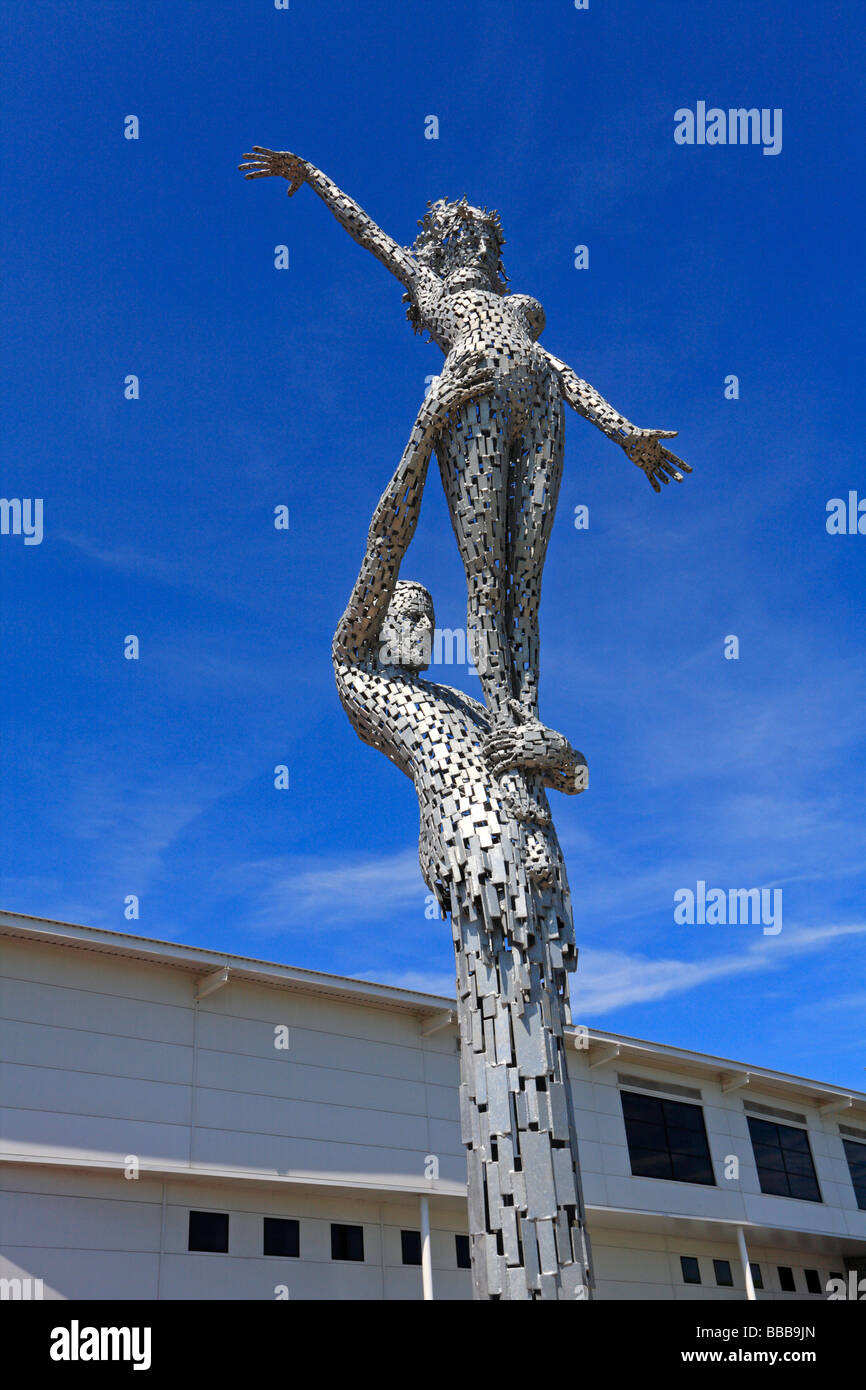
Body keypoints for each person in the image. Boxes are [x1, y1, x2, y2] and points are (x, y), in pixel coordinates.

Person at [240, 149, 691, 740]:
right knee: (486, 573)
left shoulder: (511, 309)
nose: (478, 250)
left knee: (526, 579)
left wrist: (624, 432)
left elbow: (558, 370)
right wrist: (315, 177)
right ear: (442, 246)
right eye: (463, 238)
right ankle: (502, 713)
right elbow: (369, 233)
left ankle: (528, 716)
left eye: (486, 241)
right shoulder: (429, 285)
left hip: (543, 411)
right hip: (469, 406)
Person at [331, 367, 592, 1299]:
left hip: (535, 871)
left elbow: (559, 763)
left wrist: (554, 753)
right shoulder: (369, 692)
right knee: (501, 1069)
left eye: (425, 613)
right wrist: (429, 427)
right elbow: (382, 544)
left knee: (542, 1065)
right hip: (476, 873)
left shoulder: (471, 707)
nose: (413, 619)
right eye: (401, 609)